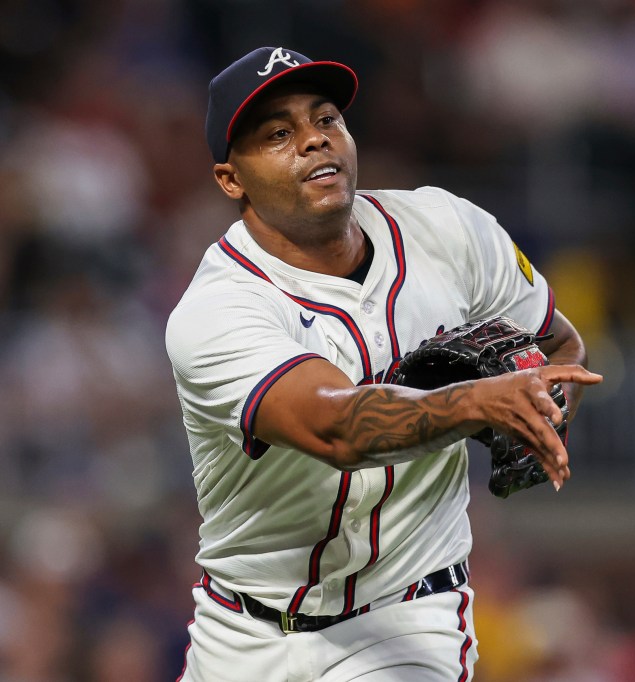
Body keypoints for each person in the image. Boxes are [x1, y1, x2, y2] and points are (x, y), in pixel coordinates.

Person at [165, 46, 601, 682]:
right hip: (243, 635)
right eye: (279, 134)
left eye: (327, 120)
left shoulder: (446, 229)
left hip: (407, 618)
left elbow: (561, 348)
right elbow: (337, 428)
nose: (315, 141)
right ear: (231, 179)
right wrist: (477, 402)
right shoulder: (217, 309)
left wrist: (540, 410)